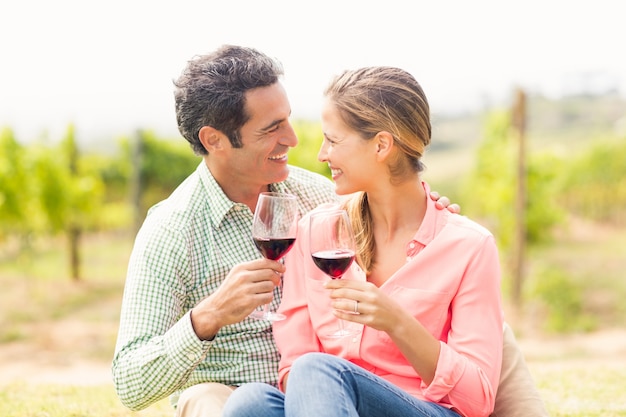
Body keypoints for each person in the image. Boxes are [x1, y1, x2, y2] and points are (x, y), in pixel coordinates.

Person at [111, 45, 458, 417]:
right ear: (215, 140)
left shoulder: (320, 197)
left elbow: (405, 249)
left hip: (327, 392)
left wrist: (429, 215)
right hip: (239, 399)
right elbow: (131, 383)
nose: (292, 139)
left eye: (287, 119)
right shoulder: (173, 231)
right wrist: (207, 318)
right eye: (271, 128)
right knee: (217, 406)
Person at [221, 66, 523, 417]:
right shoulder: (315, 232)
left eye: (333, 140)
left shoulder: (469, 247)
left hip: (424, 409)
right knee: (250, 403)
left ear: (381, 145)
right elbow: (294, 364)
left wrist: (396, 321)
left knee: (316, 370)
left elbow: (477, 398)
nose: (321, 154)